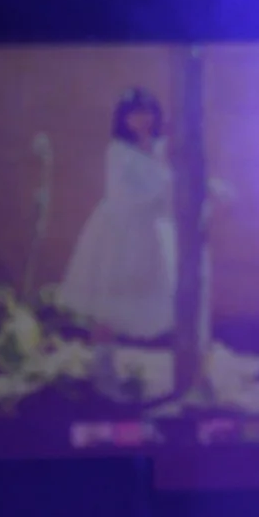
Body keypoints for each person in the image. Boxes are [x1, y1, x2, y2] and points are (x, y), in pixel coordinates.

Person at [51, 87, 178, 350]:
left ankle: (141, 351)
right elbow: (122, 192)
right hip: (121, 227)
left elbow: (172, 181)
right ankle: (101, 356)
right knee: (110, 292)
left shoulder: (160, 147)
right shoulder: (118, 150)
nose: (143, 119)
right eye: (135, 113)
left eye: (148, 112)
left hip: (153, 227)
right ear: (124, 118)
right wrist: (158, 196)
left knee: (149, 289)